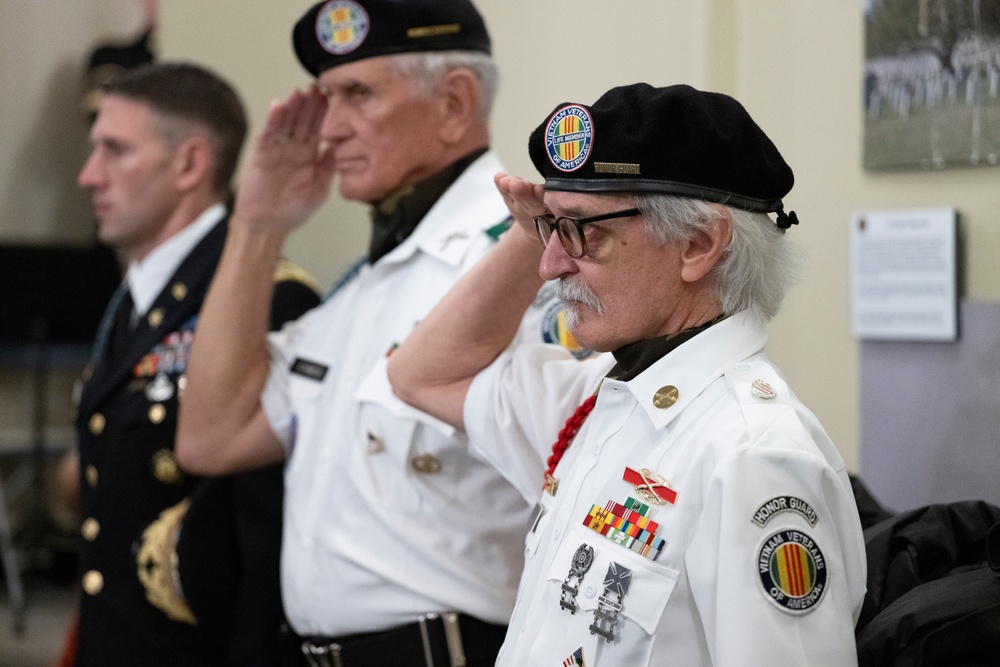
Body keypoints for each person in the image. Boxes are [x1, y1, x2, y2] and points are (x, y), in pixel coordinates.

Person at [387, 83, 868, 665]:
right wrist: (524, 233)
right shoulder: (603, 400)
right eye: (550, 227)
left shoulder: (750, 453)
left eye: (583, 232)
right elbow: (418, 377)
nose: (548, 265)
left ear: (697, 244)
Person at [176, 2, 571, 665]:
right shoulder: (360, 291)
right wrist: (256, 225)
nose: (328, 130)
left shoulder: (531, 267)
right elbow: (210, 436)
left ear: (453, 103)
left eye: (358, 94)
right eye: (326, 97)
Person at [74, 62, 320, 666]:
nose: (88, 177)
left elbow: (263, 547)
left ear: (189, 164)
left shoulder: (267, 297)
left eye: (115, 151)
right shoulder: (136, 300)